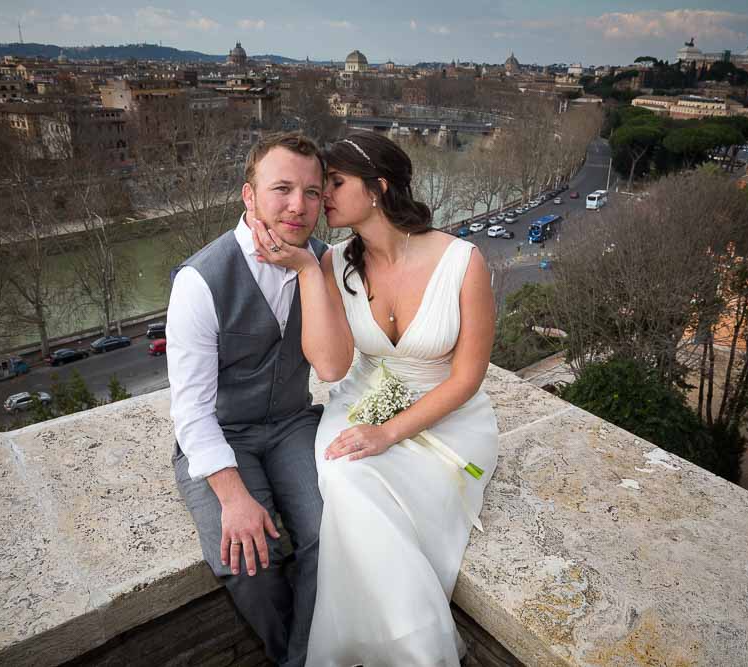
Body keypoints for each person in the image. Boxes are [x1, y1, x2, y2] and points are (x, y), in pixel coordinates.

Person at [252, 132, 499, 665]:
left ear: (379, 188)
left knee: (357, 489)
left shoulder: (463, 262)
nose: (321, 197)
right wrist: (305, 273)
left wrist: (389, 432)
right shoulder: (332, 263)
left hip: (447, 415)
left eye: (334, 184)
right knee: (343, 476)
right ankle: (410, 649)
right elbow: (332, 366)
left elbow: (467, 378)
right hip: (359, 399)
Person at [167, 132, 350, 667]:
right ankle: (295, 653)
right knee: (248, 558)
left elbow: (334, 367)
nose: (299, 206)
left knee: (334, 532)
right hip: (224, 437)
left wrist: (309, 272)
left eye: (313, 192)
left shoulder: (325, 262)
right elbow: (192, 414)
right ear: (248, 196)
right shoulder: (200, 281)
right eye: (282, 189)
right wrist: (233, 497)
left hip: (294, 423)